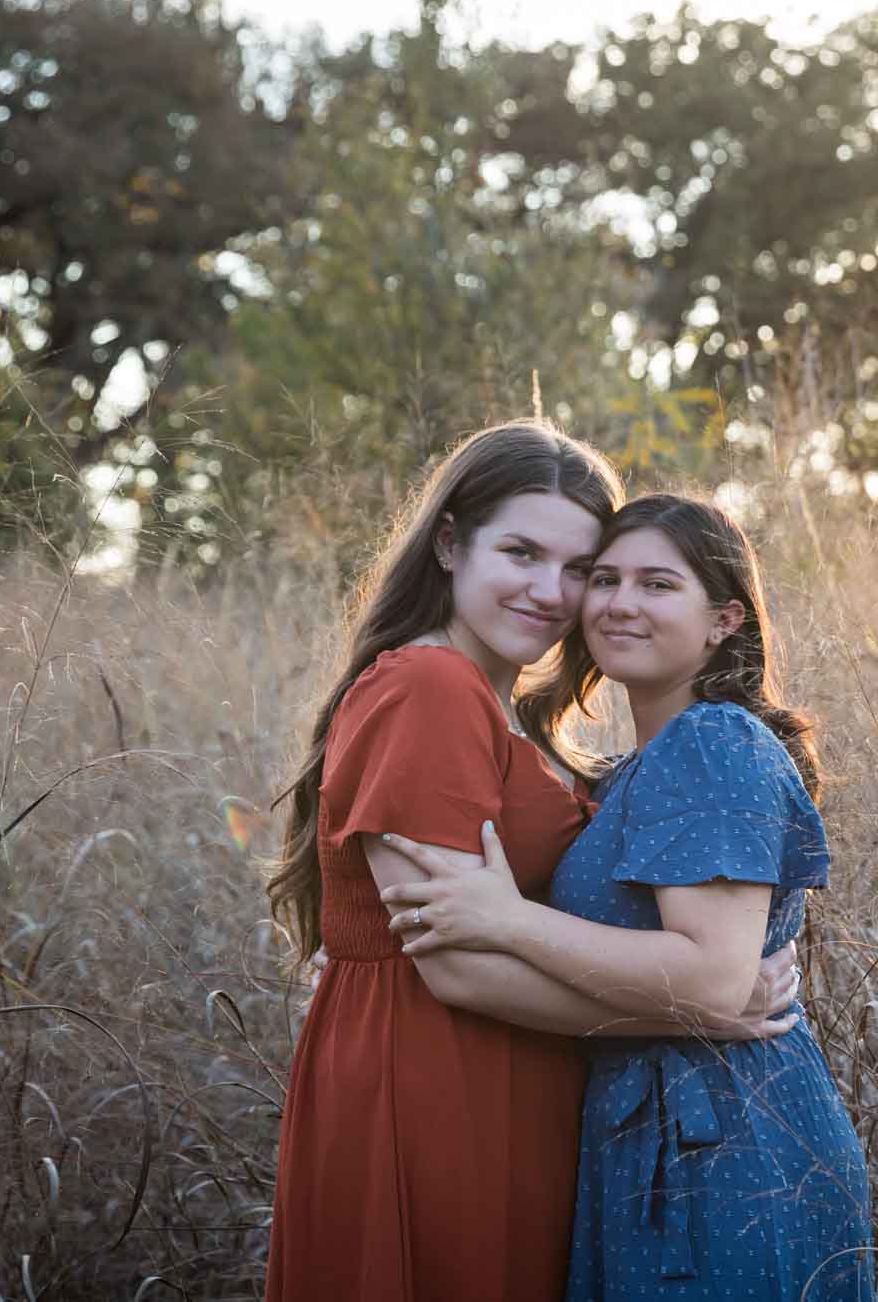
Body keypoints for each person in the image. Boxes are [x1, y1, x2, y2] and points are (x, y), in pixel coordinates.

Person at [264, 431, 798, 1302]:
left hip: (520, 1076)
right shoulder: (427, 690)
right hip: (431, 1087)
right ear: (448, 544)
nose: (551, 592)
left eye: (579, 566)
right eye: (521, 552)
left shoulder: (517, 715)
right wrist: (700, 1013)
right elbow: (460, 966)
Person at [379, 494, 875, 1301]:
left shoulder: (711, 742)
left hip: (723, 1149)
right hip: (646, 1134)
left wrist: (509, 919)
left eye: (656, 584)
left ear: (724, 620)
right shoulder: (633, 768)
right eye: (603, 578)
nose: (618, 602)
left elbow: (713, 981)